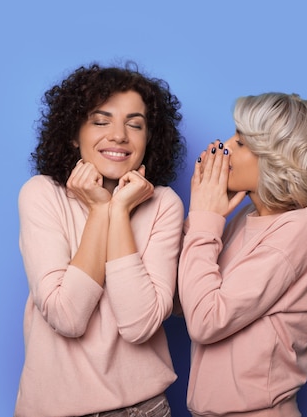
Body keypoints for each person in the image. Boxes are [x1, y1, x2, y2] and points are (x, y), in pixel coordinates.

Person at [14, 62, 186, 417]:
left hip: (144, 408)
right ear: (74, 133)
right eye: (101, 121)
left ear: (149, 138)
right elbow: (67, 317)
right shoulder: (42, 194)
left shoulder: (164, 203)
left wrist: (119, 212)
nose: (120, 135)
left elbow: (139, 324)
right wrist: (99, 210)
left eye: (135, 124)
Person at [178, 92, 307, 417]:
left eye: (242, 143)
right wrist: (195, 223)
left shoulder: (302, 229)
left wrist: (204, 220)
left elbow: (206, 321)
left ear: (278, 157)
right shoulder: (242, 219)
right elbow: (187, 302)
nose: (224, 147)